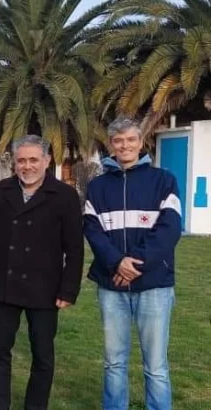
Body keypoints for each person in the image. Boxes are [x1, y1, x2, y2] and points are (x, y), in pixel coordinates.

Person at [0, 134, 84, 410]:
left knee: (43, 356)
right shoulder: (3, 190)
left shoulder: (65, 195)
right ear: (14, 163)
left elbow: (74, 248)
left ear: (47, 160)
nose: (27, 166)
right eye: (21, 160)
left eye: (33, 160)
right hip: (5, 284)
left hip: (46, 289)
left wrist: (69, 288)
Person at [83, 116, 181, 410]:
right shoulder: (97, 186)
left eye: (130, 140)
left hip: (154, 285)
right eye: (118, 140)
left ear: (141, 143)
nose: (124, 145)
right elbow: (91, 229)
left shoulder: (164, 180)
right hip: (112, 286)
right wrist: (116, 263)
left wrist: (133, 264)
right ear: (111, 145)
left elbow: (170, 229)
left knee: (156, 365)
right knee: (114, 363)